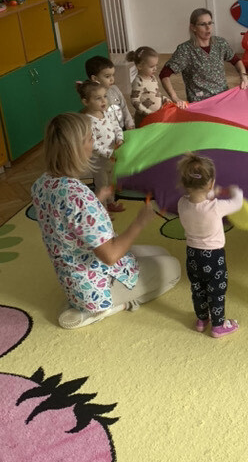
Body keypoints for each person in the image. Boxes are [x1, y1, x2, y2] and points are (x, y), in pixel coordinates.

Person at [31, 113, 181, 329]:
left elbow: (67, 222)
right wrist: (139, 222)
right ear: (75, 149)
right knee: (174, 268)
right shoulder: (78, 197)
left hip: (73, 276)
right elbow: (109, 255)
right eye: (90, 138)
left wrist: (97, 200)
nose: (94, 143)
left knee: (162, 253)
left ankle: (90, 302)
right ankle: (105, 308)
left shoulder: (41, 183)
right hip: (97, 285)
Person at [177, 153, 243, 337]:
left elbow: (197, 200)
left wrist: (212, 193)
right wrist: (235, 191)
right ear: (211, 183)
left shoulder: (182, 204)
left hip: (192, 255)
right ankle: (218, 325)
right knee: (216, 291)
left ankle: (201, 320)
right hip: (213, 257)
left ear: (184, 183)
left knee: (197, 288)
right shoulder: (216, 207)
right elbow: (237, 203)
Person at [160, 8, 248, 106]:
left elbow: (236, 60)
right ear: (193, 27)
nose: (208, 28)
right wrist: (175, 98)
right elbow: (164, 74)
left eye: (210, 23)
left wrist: (244, 76)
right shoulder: (185, 50)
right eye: (203, 24)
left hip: (223, 98)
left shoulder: (220, 43)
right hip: (200, 102)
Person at [77, 79, 124, 212]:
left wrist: (120, 138)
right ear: (86, 102)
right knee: (102, 185)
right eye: (98, 98)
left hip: (112, 156)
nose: (104, 101)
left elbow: (116, 126)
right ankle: (102, 210)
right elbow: (93, 144)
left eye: (105, 96)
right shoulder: (88, 121)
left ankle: (111, 202)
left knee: (111, 181)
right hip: (99, 160)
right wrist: (109, 153)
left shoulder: (107, 113)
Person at [86, 54, 135, 131]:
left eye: (113, 75)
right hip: (110, 132)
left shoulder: (115, 89)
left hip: (123, 128)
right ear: (95, 78)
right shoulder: (94, 98)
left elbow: (124, 107)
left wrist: (130, 124)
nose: (112, 79)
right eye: (107, 76)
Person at [127, 45, 170, 126]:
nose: (155, 69)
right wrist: (148, 113)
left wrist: (164, 99)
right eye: (151, 66)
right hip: (144, 119)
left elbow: (156, 93)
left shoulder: (153, 78)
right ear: (139, 66)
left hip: (156, 116)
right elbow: (134, 100)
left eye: (156, 65)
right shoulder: (138, 81)